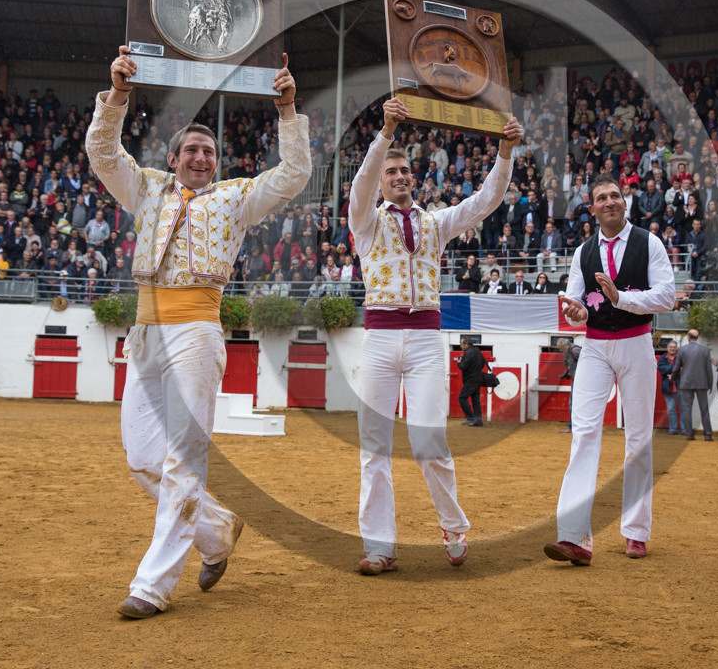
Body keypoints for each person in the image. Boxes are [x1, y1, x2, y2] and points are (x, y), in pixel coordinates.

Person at [90, 46, 309, 618]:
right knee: (142, 458)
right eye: (191, 150)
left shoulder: (236, 198)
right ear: (173, 157)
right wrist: (118, 93)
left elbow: (293, 174)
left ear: (217, 161)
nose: (201, 158)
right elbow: (102, 152)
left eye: (209, 152)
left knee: (182, 460)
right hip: (144, 333)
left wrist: (287, 110)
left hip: (196, 331)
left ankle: (152, 586)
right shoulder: (146, 187)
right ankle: (216, 529)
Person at [348, 96, 522, 576]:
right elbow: (360, 187)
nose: (399, 176)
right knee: (373, 449)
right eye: (390, 171)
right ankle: (380, 546)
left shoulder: (434, 222)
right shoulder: (365, 220)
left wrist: (505, 152)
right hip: (380, 339)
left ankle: (453, 526)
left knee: (429, 442)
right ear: (381, 180)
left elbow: (484, 202)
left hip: (426, 340)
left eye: (405, 170)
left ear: (415, 177)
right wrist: (385, 134)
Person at [544, 175, 675, 565]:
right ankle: (573, 537)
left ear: (625, 201)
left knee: (638, 437)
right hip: (595, 344)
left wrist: (622, 298)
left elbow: (667, 296)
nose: (610, 202)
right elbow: (577, 302)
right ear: (592, 208)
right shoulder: (583, 252)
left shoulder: (649, 243)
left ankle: (636, 531)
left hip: (637, 342)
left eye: (615, 195)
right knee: (584, 433)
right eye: (602, 198)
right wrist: (577, 311)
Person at [672, 329, 714, 441]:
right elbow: (708, 368)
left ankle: (689, 433)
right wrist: (710, 383)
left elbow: (676, 367)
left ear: (688, 337)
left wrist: (673, 377)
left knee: (687, 409)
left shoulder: (682, 350)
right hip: (701, 382)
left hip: (686, 382)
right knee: (704, 409)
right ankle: (708, 434)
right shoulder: (705, 350)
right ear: (697, 338)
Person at [455, 336, 486, 427]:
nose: (460, 346)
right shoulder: (477, 350)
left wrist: (459, 362)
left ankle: (470, 418)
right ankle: (478, 421)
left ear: (467, 344)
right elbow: (483, 363)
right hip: (478, 378)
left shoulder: (468, 353)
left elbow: (463, 366)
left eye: (462, 344)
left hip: (471, 379)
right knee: (475, 400)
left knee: (462, 397)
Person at [557, 337, 582, 434]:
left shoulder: (575, 350)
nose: (560, 350)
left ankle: (572, 427)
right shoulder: (568, 352)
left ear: (566, 345)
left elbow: (586, 363)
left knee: (573, 403)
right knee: (574, 403)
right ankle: (573, 427)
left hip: (580, 381)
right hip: (576, 379)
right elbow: (569, 365)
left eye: (561, 348)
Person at [657, 340, 680, 435]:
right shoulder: (662, 358)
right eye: (671, 347)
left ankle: (684, 429)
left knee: (684, 409)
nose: (672, 349)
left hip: (680, 386)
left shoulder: (680, 357)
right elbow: (662, 370)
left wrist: (671, 371)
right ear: (667, 348)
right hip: (668, 387)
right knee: (671, 409)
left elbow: (685, 369)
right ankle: (673, 428)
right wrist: (676, 369)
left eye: (674, 347)